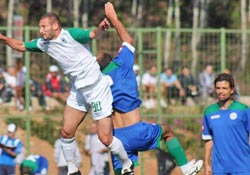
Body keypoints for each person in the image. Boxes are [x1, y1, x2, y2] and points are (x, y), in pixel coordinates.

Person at [0, 11, 133, 175]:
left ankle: (127, 163)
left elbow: (92, 34)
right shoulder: (43, 43)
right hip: (78, 90)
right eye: (40, 27)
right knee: (66, 133)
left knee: (105, 138)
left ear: (55, 26)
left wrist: (100, 29)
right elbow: (21, 46)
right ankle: (72, 170)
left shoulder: (71, 34)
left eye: (43, 26)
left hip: (97, 88)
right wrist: (3, 38)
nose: (40, 30)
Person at [97, 2, 203, 175]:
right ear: (113, 59)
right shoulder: (121, 64)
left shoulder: (97, 80)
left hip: (115, 137)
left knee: (121, 169)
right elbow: (128, 40)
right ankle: (186, 169)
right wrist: (114, 19)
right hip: (136, 132)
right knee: (167, 131)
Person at [202, 73, 250, 175]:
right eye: (218, 88)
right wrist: (206, 164)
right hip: (219, 168)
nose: (220, 91)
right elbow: (208, 139)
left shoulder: (243, 110)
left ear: (232, 90)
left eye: (224, 88)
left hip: (243, 166)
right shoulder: (209, 112)